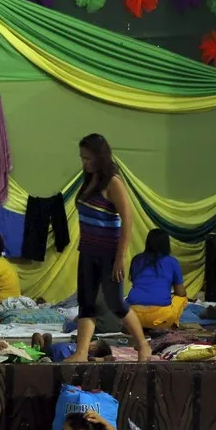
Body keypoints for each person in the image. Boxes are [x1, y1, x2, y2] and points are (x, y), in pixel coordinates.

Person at [67, 134, 150, 362]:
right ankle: (81, 353)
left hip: (108, 254)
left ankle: (143, 345)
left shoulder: (113, 182)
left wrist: (119, 258)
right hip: (88, 252)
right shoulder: (88, 180)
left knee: (115, 303)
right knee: (86, 303)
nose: (84, 163)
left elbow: (127, 219)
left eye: (88, 158)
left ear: (100, 157)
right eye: (82, 158)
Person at [126, 228, 188, 330]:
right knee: (183, 299)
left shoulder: (137, 259)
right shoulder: (172, 261)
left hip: (133, 315)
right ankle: (172, 325)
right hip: (160, 317)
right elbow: (180, 292)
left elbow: (136, 282)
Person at [31, 333, 113, 362]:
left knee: (36, 336)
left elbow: (92, 360)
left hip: (51, 357)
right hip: (50, 349)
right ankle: (37, 353)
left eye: (91, 342)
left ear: (93, 347)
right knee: (47, 336)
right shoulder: (78, 345)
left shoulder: (85, 355)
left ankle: (35, 358)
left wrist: (102, 359)